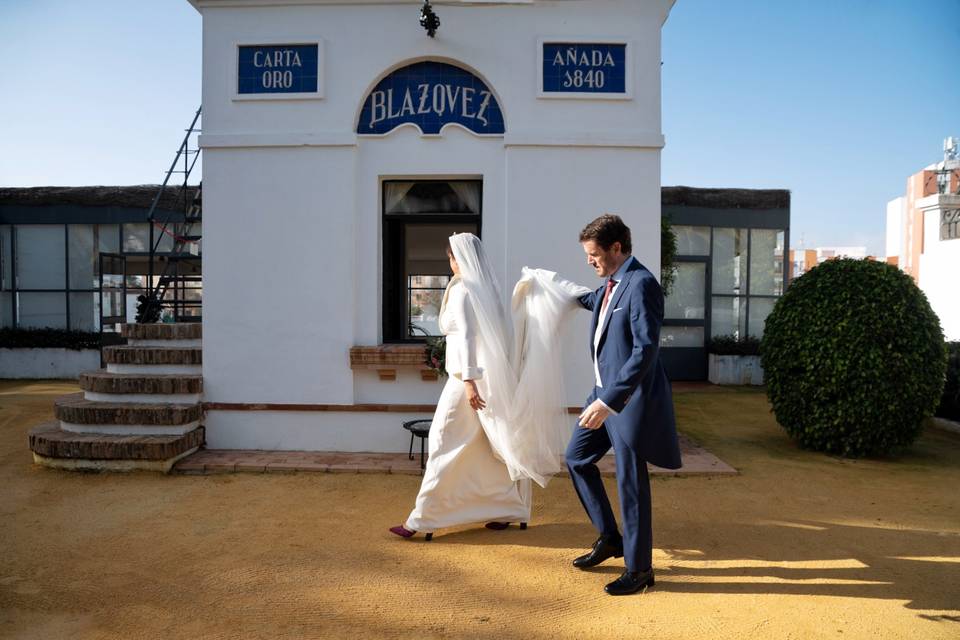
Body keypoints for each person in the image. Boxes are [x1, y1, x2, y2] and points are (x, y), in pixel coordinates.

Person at [565, 214, 682, 596]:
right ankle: (610, 538)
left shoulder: (642, 284)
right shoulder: (610, 285)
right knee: (577, 459)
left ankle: (640, 569)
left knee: (631, 485)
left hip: (627, 402)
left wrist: (611, 402)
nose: (589, 261)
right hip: (600, 396)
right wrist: (547, 287)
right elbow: (589, 299)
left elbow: (645, 350)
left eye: (594, 254)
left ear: (617, 248)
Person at [389, 234, 531, 539]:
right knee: (483, 447)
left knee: (442, 441)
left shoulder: (464, 290)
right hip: (481, 379)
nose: (450, 264)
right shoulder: (485, 290)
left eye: (451, 259)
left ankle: (422, 519)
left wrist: (468, 381)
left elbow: (466, 336)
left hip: (465, 382)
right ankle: (509, 507)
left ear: (459, 259)